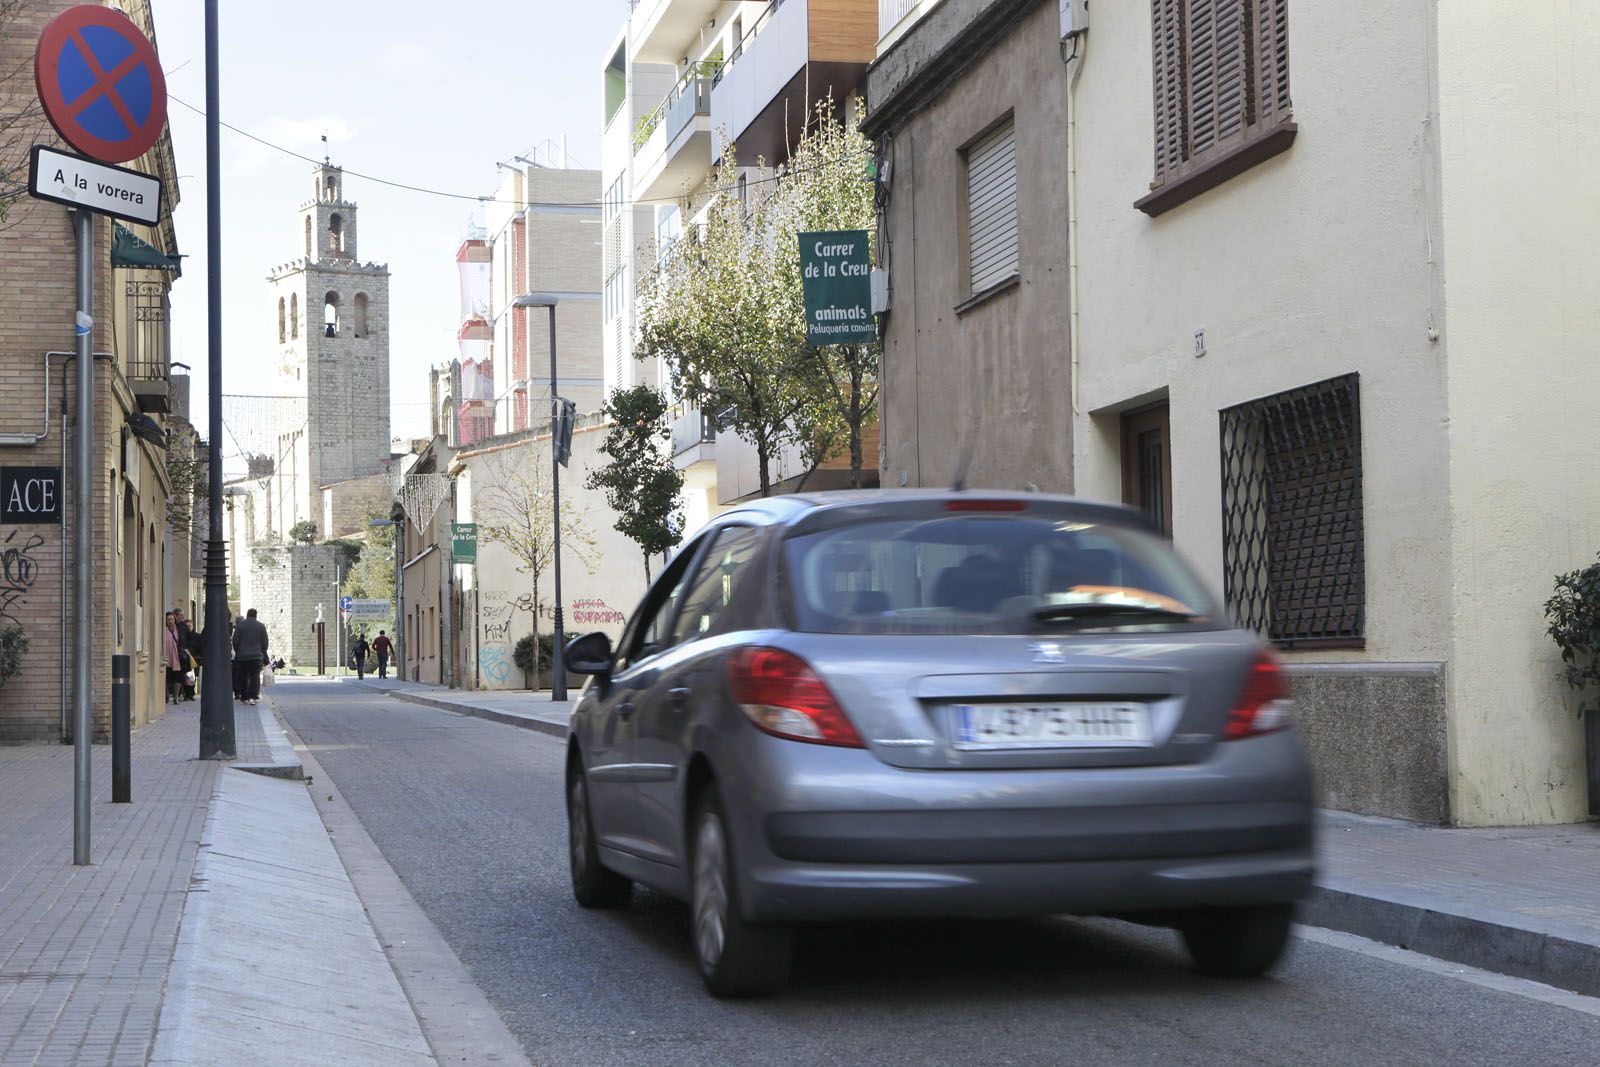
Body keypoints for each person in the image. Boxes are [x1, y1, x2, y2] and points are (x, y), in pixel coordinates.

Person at [232, 607, 270, 706]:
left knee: (243, 676)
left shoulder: (240, 626)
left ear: (247, 614)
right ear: (256, 616)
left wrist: (238, 651)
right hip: (256, 657)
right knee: (255, 677)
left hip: (242, 657)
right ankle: (253, 697)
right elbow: (265, 642)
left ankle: (244, 696)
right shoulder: (261, 626)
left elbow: (235, 641)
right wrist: (263, 653)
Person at [174, 609, 197, 701]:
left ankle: (188, 694)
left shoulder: (184, 626)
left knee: (188, 674)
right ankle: (178, 694)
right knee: (178, 675)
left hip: (185, 653)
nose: (183, 617)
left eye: (183, 615)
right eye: (181, 615)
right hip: (176, 653)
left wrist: (189, 649)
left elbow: (190, 637)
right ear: (176, 616)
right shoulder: (174, 627)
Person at [162, 611, 185, 704]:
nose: (170, 621)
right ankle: (166, 697)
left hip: (177, 657)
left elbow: (184, 640)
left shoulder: (179, 629)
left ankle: (176, 697)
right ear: (165, 621)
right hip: (166, 657)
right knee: (166, 678)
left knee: (177, 678)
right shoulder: (163, 630)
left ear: (175, 620)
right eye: (168, 619)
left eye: (172, 619)